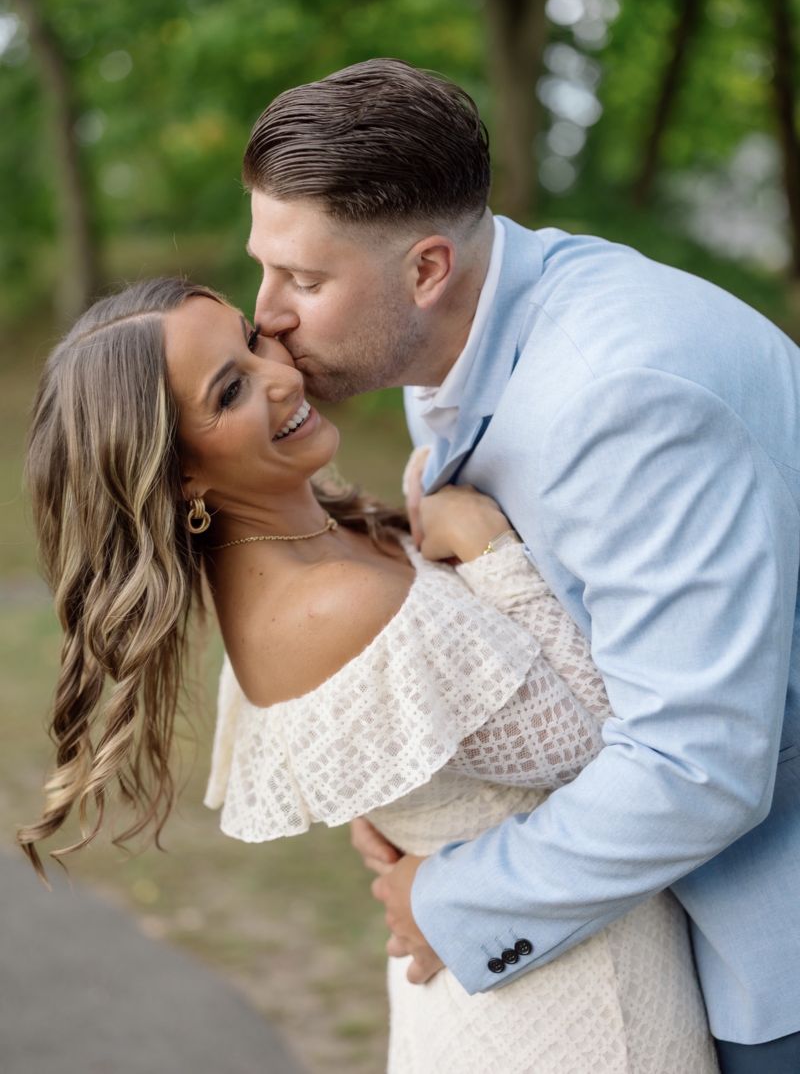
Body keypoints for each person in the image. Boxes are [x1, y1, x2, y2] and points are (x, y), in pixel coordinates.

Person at [240, 58, 800, 1073]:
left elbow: (701, 763)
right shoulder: (452, 339)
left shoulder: (621, 393)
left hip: (769, 954)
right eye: (266, 268)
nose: (266, 313)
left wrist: (453, 898)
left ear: (426, 268)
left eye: (305, 280)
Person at [19, 277, 719, 1072]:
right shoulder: (331, 603)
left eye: (251, 338)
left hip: (517, 964)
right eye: (231, 390)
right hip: (576, 1014)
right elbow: (622, 748)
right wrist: (488, 548)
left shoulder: (316, 547)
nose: (281, 375)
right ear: (181, 477)